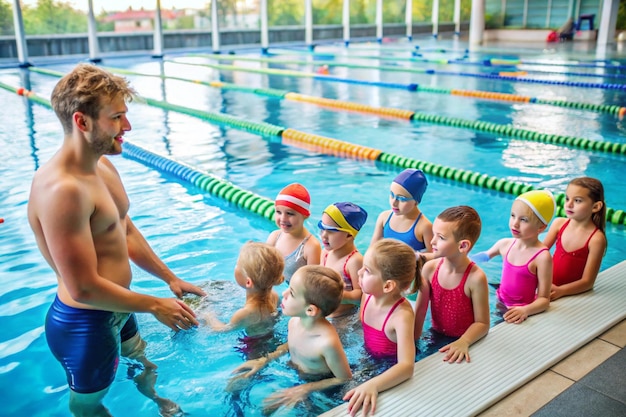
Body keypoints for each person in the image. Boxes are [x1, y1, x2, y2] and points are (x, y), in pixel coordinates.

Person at [27, 64, 206, 417]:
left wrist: (169, 278)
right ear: (82, 122)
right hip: (86, 325)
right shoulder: (63, 190)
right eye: (117, 117)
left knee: (142, 361)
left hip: (120, 307)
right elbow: (82, 288)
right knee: (89, 407)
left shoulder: (102, 164)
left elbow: (123, 230)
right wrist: (154, 305)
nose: (127, 127)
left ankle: (156, 401)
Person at [227, 265, 352, 414]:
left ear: (310, 310)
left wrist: (304, 389)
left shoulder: (326, 342)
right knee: (233, 388)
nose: (284, 293)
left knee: (270, 411)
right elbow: (291, 345)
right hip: (293, 372)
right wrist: (264, 360)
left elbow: (344, 378)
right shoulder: (294, 321)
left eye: (292, 293)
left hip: (319, 386)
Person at [344, 239, 420, 417]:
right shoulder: (367, 295)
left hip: (387, 369)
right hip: (367, 358)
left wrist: (374, 384)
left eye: (367, 270)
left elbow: (407, 366)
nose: (359, 272)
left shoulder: (401, 316)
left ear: (388, 286)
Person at [413, 206, 490, 364]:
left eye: (440, 237)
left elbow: (482, 323)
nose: (432, 241)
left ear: (463, 246)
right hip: (435, 334)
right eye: (434, 234)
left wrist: (465, 341)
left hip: (464, 339)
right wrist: (412, 344)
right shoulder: (430, 269)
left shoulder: (475, 278)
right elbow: (420, 312)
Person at [473, 189, 556, 324]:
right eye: (513, 216)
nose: (515, 223)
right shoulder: (504, 244)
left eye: (523, 219)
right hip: (500, 301)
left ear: (541, 228)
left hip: (520, 312)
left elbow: (544, 300)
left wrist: (526, 310)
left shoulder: (542, 257)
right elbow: (481, 258)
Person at [543, 177, 607, 300]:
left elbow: (588, 282)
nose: (569, 204)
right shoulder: (559, 224)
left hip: (569, 294)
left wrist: (561, 291)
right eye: (567, 198)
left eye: (577, 200)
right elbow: (538, 253)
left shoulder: (596, 239)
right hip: (547, 286)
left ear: (596, 207)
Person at [203, 241, 284, 337]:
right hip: (273, 336)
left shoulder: (244, 314)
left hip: (252, 346)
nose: (235, 267)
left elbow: (222, 330)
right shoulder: (274, 296)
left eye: (237, 265)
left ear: (248, 282)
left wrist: (209, 316)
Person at [318, 202, 368, 317]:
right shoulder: (325, 253)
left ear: (349, 235)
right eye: (322, 228)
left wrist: (339, 295)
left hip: (344, 317)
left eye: (330, 231)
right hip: (324, 312)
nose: (323, 235)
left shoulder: (354, 261)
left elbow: (361, 295)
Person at [267, 183, 321, 283]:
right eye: (278, 212)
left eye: (290, 213)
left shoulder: (311, 246)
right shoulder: (274, 237)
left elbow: (313, 285)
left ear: (305, 215)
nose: (283, 218)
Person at [370, 169, 433, 253]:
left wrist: (416, 256)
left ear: (416, 201)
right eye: (392, 195)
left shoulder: (424, 226)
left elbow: (435, 256)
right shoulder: (384, 217)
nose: (394, 203)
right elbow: (372, 248)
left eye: (402, 199)